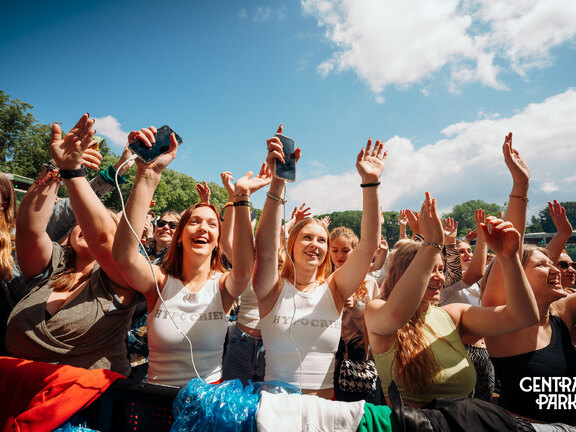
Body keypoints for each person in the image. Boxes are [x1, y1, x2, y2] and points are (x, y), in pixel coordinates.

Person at [112, 126, 267, 387]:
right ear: (180, 235)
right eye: (194, 222)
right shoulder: (159, 282)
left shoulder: (222, 286)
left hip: (205, 412)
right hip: (153, 404)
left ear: (218, 241)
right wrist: (147, 175)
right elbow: (124, 257)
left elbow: (243, 267)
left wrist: (241, 198)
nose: (203, 228)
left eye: (211, 224)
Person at [367, 192, 539, 406]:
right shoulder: (376, 309)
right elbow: (396, 316)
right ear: (405, 274)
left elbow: (523, 317)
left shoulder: (454, 314)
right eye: (431, 269)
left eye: (441, 269)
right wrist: (432, 244)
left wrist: (509, 257)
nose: (440, 277)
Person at [253, 127, 386, 398]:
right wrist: (278, 183)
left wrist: (370, 184)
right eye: (306, 238)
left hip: (323, 412)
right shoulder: (271, 289)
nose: (315, 244)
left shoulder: (335, 288)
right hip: (274, 413)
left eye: (322, 240)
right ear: (291, 244)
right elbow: (266, 250)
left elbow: (368, 245)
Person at [6, 113, 137, 375]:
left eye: (94, 224)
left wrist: (73, 172)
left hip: (83, 405)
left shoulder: (122, 278)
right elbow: (30, 231)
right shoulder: (53, 263)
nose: (87, 230)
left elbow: (103, 239)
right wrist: (56, 167)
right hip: (13, 394)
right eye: (82, 223)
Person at [482, 133, 576, 425]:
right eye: (542, 264)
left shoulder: (563, 313)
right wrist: (520, 187)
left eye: (554, 263)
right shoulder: (506, 321)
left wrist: (562, 236)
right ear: (516, 277)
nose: (556, 269)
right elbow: (508, 253)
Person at [329, 226, 380, 402]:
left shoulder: (369, 282)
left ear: (355, 251)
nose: (339, 255)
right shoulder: (324, 279)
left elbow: (372, 328)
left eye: (345, 250)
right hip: (328, 355)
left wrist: (355, 307)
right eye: (334, 250)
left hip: (356, 358)